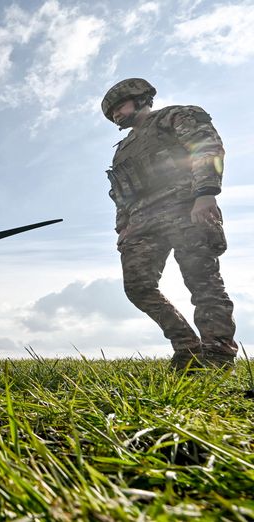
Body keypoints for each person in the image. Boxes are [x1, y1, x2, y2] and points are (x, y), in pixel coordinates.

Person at [102, 78, 237, 370]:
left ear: (140, 99)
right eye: (111, 112)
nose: (116, 115)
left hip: (186, 207)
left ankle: (218, 354)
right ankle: (187, 347)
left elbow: (207, 148)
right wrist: (123, 226)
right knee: (137, 286)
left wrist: (206, 194)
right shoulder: (123, 148)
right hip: (141, 222)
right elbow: (121, 192)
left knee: (203, 281)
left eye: (118, 107)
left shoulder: (175, 116)